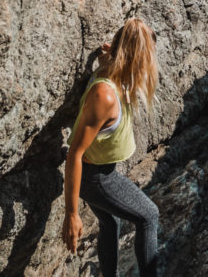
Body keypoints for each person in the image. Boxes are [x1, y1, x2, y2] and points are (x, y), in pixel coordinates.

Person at [62, 18, 161, 277]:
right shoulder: (104, 96)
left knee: (110, 221)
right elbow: (74, 153)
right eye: (147, 56)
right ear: (136, 58)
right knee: (149, 216)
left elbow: (119, 54)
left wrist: (113, 52)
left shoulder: (117, 72)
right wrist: (71, 214)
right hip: (95, 177)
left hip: (100, 173)